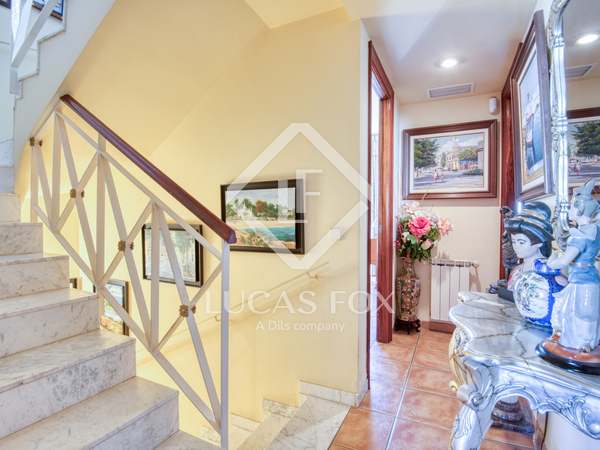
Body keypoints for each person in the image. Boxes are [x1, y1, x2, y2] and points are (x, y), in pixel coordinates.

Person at [548, 179, 600, 351]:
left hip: (582, 281)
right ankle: (585, 341)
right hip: (588, 278)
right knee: (581, 312)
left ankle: (584, 343)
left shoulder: (580, 237)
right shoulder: (595, 231)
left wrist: (551, 261)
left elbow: (563, 261)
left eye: (571, 206)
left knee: (582, 313)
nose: (569, 210)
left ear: (580, 209)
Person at [505, 202, 554, 291]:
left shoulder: (548, 272)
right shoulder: (516, 271)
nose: (516, 246)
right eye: (514, 241)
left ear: (540, 242)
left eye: (521, 242)